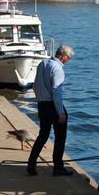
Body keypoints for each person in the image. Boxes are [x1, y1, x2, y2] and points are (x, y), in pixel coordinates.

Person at [28, 44, 75, 177]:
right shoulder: (58, 68)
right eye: (68, 58)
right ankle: (58, 167)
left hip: (42, 105)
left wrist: (39, 100)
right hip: (53, 106)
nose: (68, 60)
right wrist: (60, 112)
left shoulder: (43, 63)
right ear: (63, 56)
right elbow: (57, 92)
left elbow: (36, 84)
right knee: (60, 138)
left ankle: (31, 164)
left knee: (43, 135)